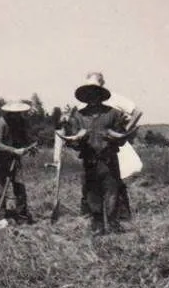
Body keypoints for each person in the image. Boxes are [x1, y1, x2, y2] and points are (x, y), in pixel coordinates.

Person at [59, 75, 134, 235]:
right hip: (89, 161)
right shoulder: (78, 116)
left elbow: (122, 140)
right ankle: (98, 226)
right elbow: (74, 144)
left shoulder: (114, 113)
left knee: (112, 192)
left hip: (109, 160)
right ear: (85, 96)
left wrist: (114, 138)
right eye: (89, 93)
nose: (92, 96)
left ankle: (113, 225)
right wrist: (76, 140)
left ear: (100, 94)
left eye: (95, 92)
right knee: (92, 193)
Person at [75, 72, 143, 220]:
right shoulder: (80, 112)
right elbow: (75, 137)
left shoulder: (114, 107)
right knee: (91, 188)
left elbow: (134, 116)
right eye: (89, 90)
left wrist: (121, 133)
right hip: (90, 155)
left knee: (113, 186)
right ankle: (94, 221)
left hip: (110, 153)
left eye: (95, 89)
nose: (92, 94)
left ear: (101, 89)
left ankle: (116, 221)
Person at [0, 101, 38, 224]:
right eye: (14, 113)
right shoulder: (1, 122)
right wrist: (13, 150)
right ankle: (0, 218)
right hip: (0, 160)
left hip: (14, 159)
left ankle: (22, 216)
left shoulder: (21, 121)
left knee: (20, 187)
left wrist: (31, 146)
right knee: (0, 190)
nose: (17, 115)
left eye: (19, 113)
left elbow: (25, 138)